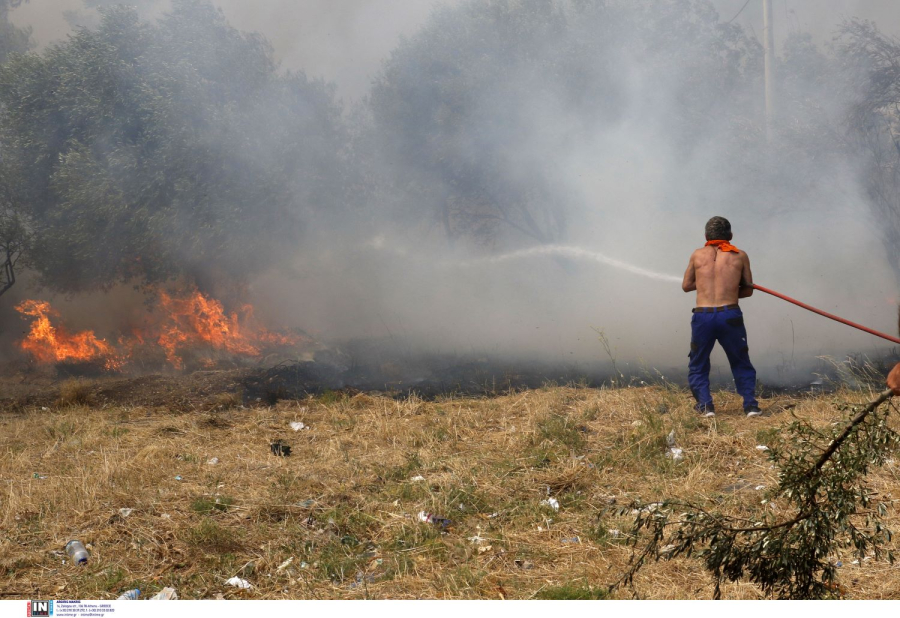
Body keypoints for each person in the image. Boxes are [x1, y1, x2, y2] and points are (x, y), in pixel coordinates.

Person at [682, 216, 761, 417]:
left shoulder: (697, 255)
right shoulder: (740, 255)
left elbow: (686, 286)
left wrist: (705, 283)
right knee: (740, 360)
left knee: (698, 362)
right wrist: (729, 288)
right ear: (730, 235)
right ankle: (751, 406)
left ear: (706, 236)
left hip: (703, 316)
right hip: (730, 315)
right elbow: (748, 290)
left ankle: (706, 407)